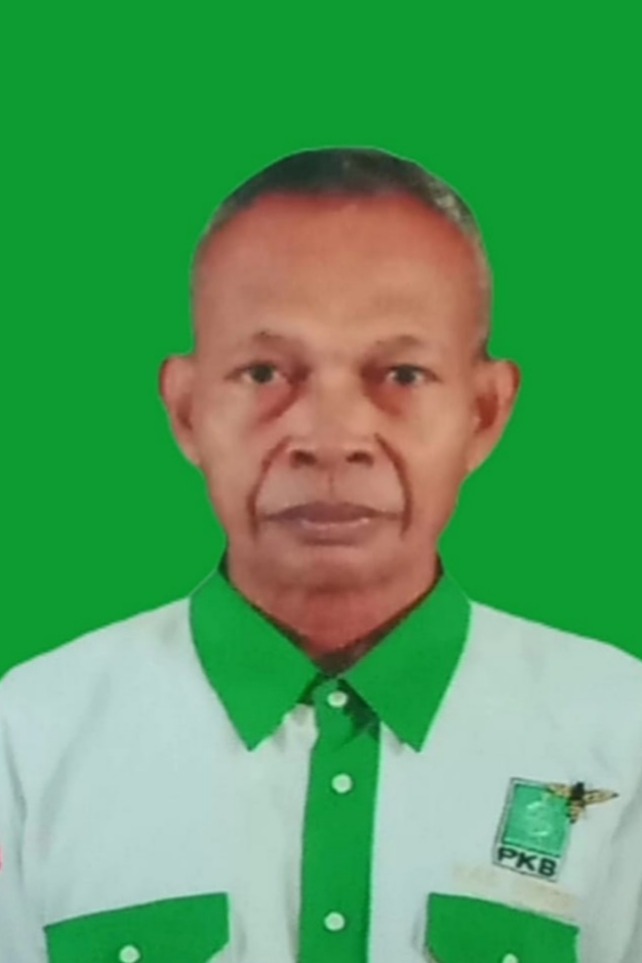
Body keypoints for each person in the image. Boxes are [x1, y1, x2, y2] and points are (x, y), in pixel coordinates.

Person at [1, 148, 640, 963]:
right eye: (265, 371)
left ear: (484, 411)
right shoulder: (30, 738)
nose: (331, 437)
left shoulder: (618, 733)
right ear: (188, 409)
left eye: (401, 373)